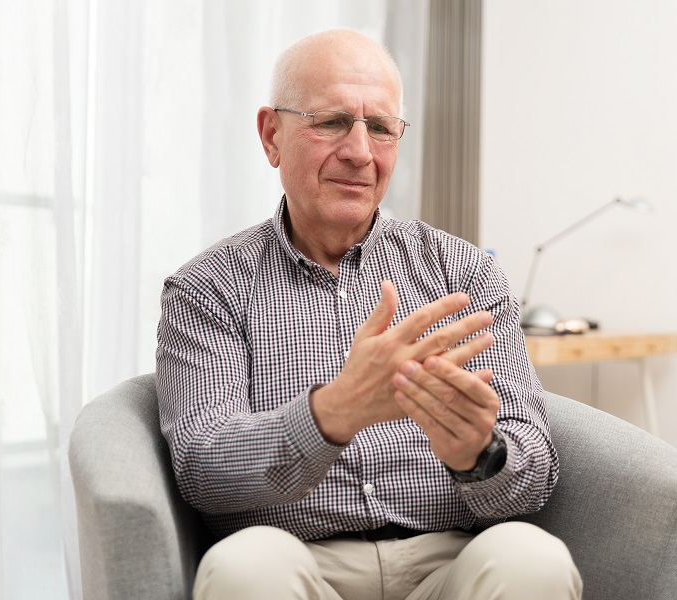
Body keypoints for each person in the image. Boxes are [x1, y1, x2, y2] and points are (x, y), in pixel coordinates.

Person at [156, 28, 581, 600]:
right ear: (271, 134)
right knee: (242, 570)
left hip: (446, 559)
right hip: (297, 560)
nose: (359, 152)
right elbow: (204, 470)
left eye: (379, 127)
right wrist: (331, 413)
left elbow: (533, 470)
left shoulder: (464, 273)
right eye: (331, 121)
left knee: (535, 561)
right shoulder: (207, 288)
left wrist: (479, 455)